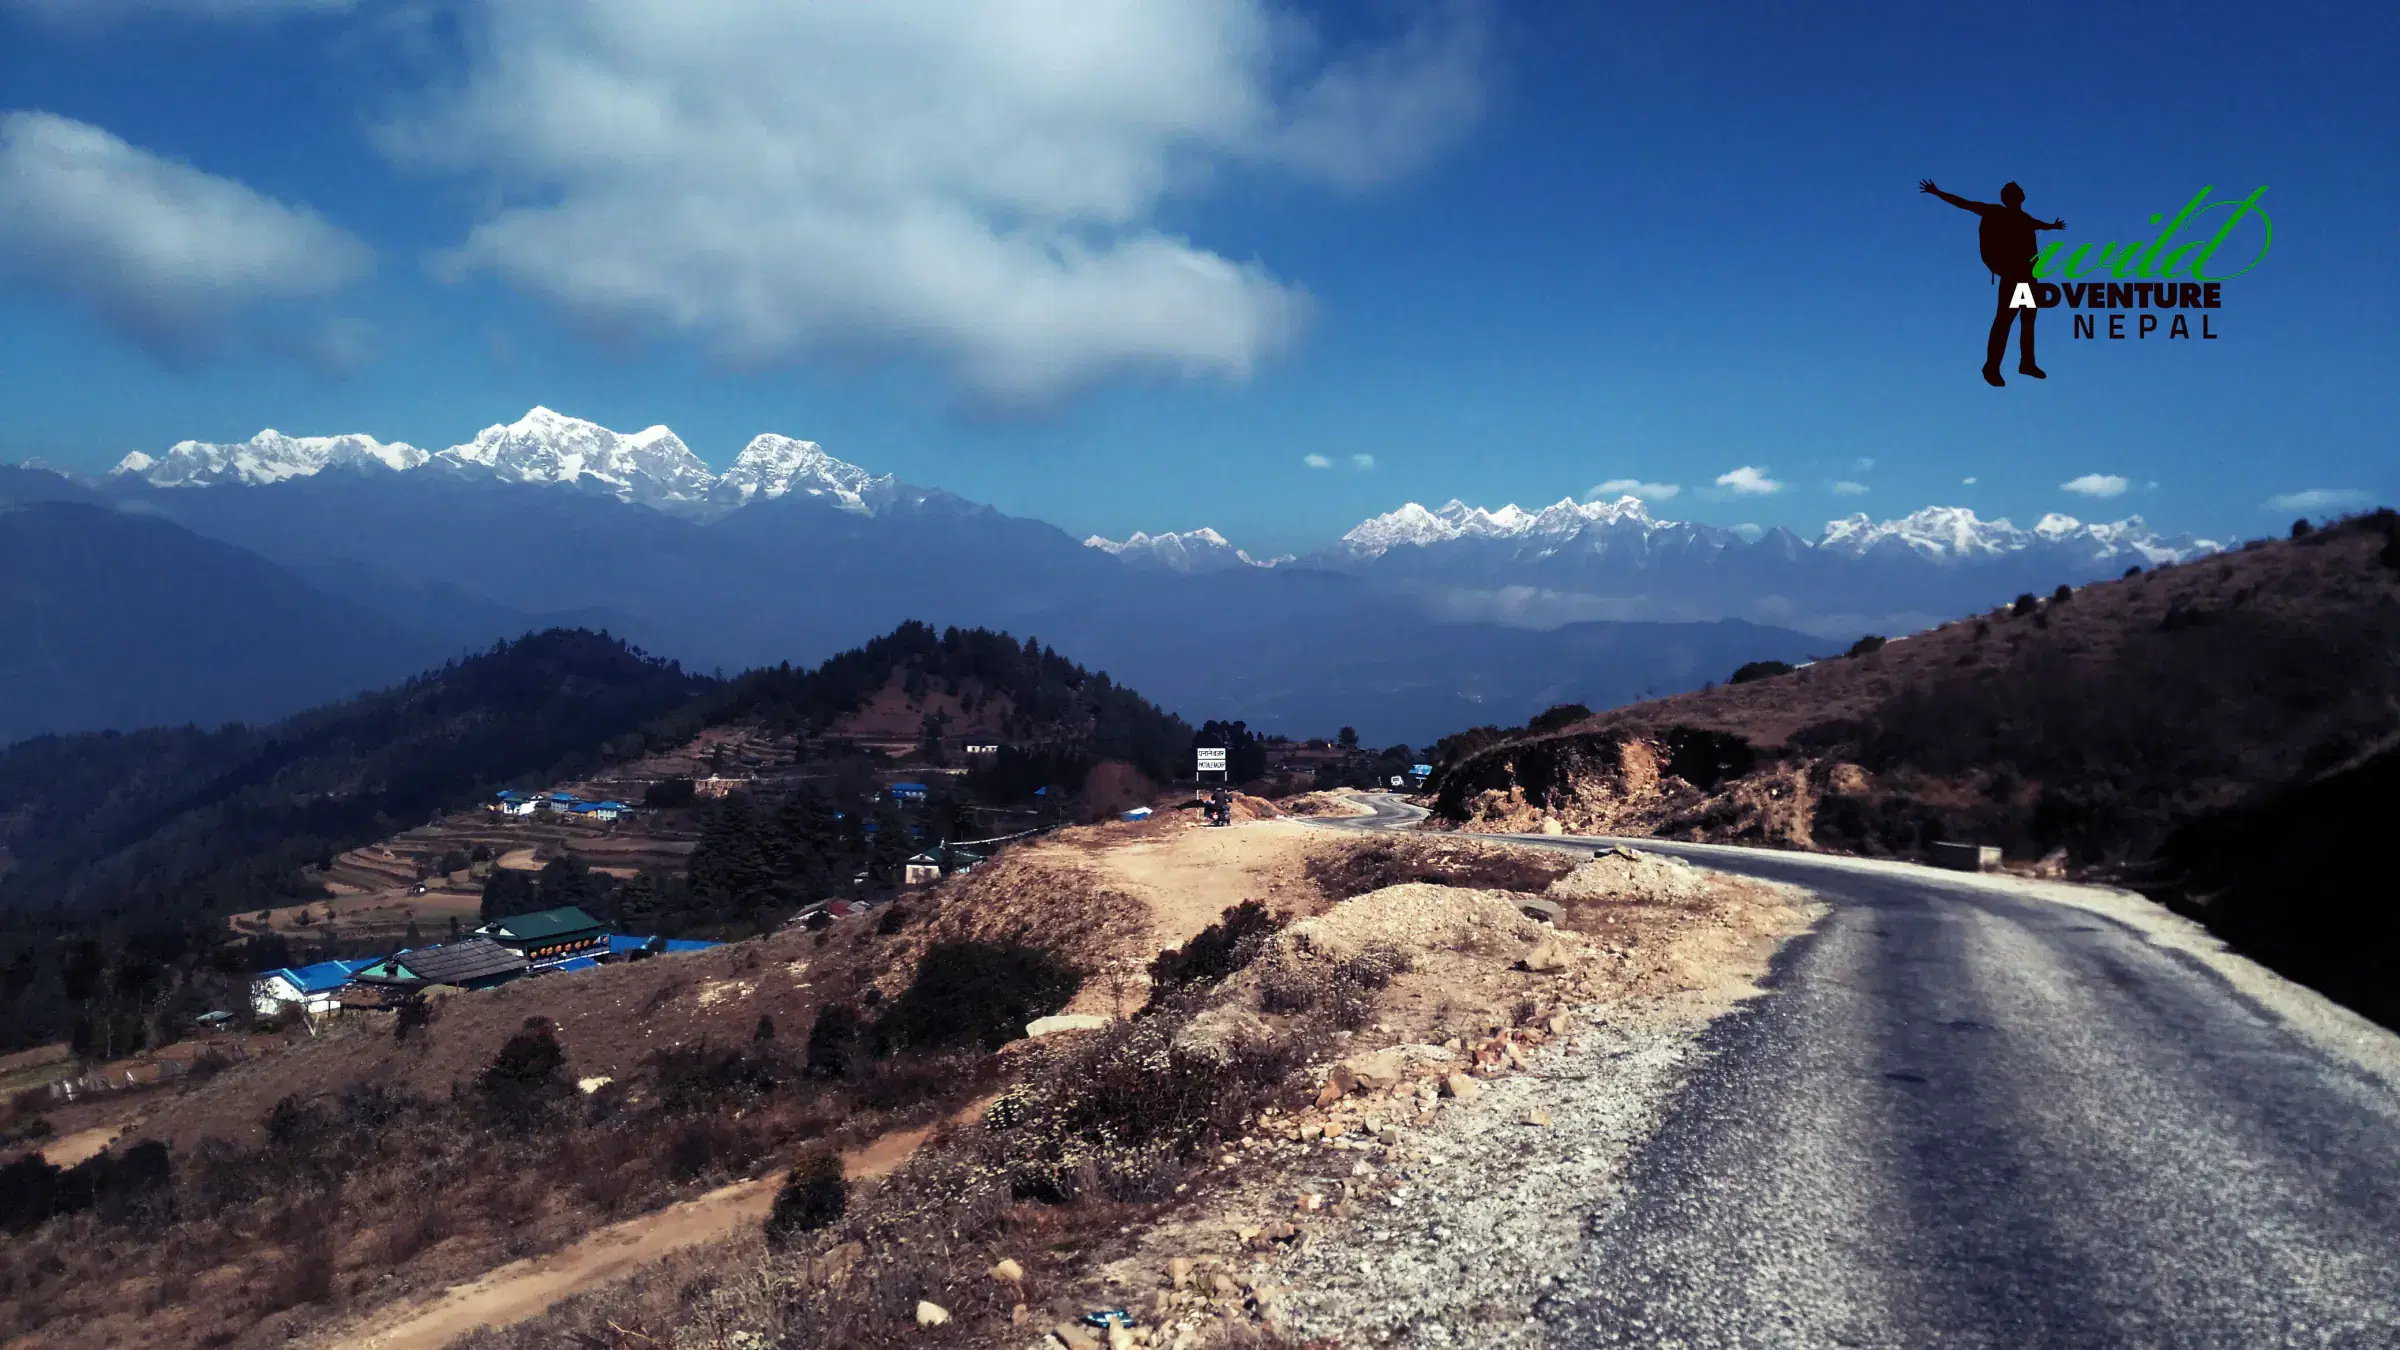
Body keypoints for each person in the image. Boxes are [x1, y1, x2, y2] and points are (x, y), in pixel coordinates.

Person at [1920, 179, 2066, 385]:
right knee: (2005, 321)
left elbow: (2038, 225)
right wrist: (1937, 192)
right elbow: (1964, 203)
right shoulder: (1996, 212)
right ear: (2012, 197)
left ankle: (2026, 363)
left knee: (2027, 320)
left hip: (2029, 277)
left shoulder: (2024, 218)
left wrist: (2052, 226)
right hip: (2014, 277)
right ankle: (1992, 366)